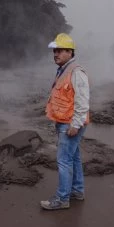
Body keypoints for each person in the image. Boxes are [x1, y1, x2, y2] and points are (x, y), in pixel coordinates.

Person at [40, 33, 90, 210]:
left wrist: (75, 124)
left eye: (60, 50)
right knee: (73, 158)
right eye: (55, 50)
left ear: (70, 52)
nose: (56, 54)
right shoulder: (63, 70)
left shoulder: (76, 72)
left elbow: (83, 101)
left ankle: (62, 199)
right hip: (65, 122)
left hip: (70, 124)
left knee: (63, 160)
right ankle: (77, 191)